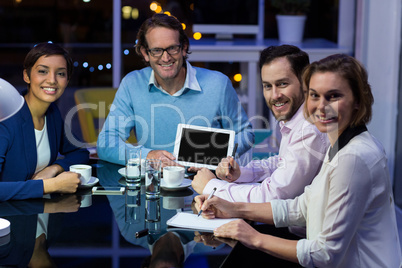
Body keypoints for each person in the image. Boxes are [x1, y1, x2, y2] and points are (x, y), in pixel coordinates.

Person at [195, 54, 402, 267]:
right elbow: (302, 207)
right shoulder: (343, 144)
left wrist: (254, 238)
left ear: (358, 100)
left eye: (333, 96)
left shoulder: (352, 159)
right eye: (314, 95)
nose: (321, 107)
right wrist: (231, 208)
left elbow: (324, 254)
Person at [96, 13, 253, 167]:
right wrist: (148, 156)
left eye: (172, 48)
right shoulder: (132, 84)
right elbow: (106, 143)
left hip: (208, 184)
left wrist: (208, 156)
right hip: (155, 185)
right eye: (156, 50)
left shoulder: (218, 84)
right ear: (145, 53)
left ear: (184, 48)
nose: (166, 58)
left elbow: (246, 135)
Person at [192, 45, 329, 202]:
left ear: (305, 83)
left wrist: (211, 186)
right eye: (267, 86)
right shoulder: (295, 120)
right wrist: (241, 173)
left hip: (296, 226)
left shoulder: (309, 130)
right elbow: (281, 163)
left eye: (282, 84)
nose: (275, 95)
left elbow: (272, 196)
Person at [0, 42, 90, 201]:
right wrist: (53, 185)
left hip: (42, 212)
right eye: (43, 71)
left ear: (67, 80)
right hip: (9, 220)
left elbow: (80, 152)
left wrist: (55, 168)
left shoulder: (52, 114)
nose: (52, 80)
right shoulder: (6, 120)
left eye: (61, 74)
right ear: (26, 76)